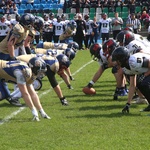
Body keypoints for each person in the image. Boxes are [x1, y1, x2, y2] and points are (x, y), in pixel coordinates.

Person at [0, 13, 35, 106]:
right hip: (3, 52)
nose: (32, 24)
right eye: (31, 22)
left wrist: (24, 56)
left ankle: (11, 95)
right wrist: (13, 58)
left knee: (15, 73)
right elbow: (10, 44)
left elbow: (20, 45)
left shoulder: (25, 31)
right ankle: (7, 95)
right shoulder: (19, 29)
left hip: (7, 52)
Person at [0, 57, 50, 121]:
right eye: (40, 71)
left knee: (4, 95)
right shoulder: (23, 72)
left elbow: (32, 93)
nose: (41, 74)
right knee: (2, 94)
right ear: (34, 68)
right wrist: (34, 111)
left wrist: (41, 111)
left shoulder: (30, 73)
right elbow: (25, 93)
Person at [111, 47, 150, 113]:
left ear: (122, 59)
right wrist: (128, 104)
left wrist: (145, 75)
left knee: (144, 83)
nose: (116, 63)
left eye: (117, 60)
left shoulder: (134, 61)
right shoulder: (126, 68)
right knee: (140, 84)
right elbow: (132, 85)